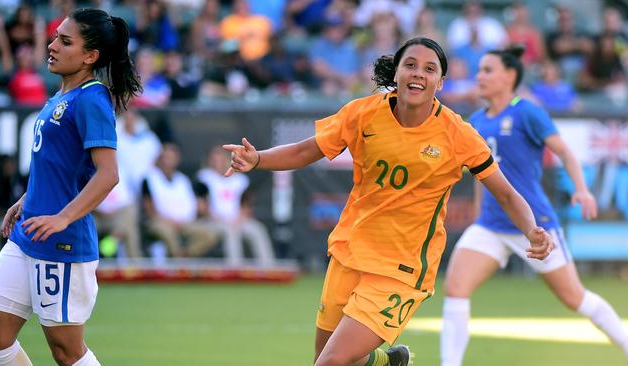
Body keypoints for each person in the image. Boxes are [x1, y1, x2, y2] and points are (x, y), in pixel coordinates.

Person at [223, 37, 553, 366]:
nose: (418, 74)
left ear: (441, 82)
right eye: (410, 65)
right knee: (327, 360)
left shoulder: (458, 134)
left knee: (331, 362)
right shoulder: (362, 113)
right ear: (396, 72)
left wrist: (532, 229)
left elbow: (506, 193)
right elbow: (304, 150)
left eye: (429, 69)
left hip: (402, 269)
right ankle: (385, 362)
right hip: (349, 252)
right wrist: (258, 160)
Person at [439, 46, 628, 366]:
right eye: (479, 70)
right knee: (455, 289)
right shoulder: (475, 121)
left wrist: (582, 189)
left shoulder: (526, 111)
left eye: (488, 70)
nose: (479, 76)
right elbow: (481, 176)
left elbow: (566, 153)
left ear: (510, 75)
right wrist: (476, 213)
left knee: (575, 298)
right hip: (490, 225)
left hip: (535, 226)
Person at [0, 8, 141, 366]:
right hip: (28, 233)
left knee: (66, 352)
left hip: (61, 243)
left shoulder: (92, 99)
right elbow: (61, 167)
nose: (52, 46)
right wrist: (26, 199)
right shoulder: (61, 96)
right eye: (54, 37)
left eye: (65, 41)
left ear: (90, 56)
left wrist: (63, 218)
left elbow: (107, 174)